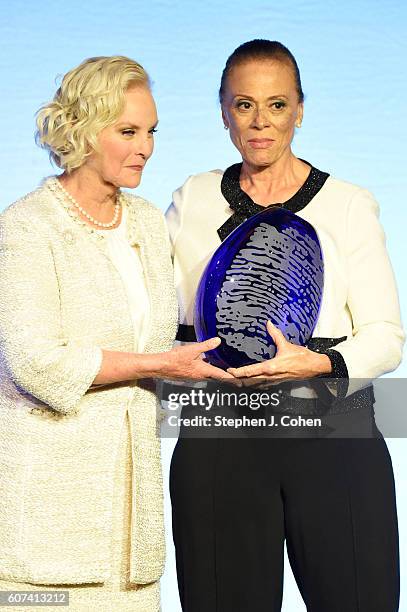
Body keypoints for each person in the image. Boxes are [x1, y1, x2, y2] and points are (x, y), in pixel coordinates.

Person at [166, 40, 404, 611]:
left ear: (300, 109)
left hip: (333, 429)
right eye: (243, 105)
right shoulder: (193, 197)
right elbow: (169, 319)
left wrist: (315, 362)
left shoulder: (348, 203)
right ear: (223, 110)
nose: (260, 122)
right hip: (219, 431)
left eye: (276, 105)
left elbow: (385, 336)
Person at [0, 55, 232, 612]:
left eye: (150, 131)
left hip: (132, 532)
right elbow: (34, 362)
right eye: (127, 131)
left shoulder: (150, 223)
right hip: (48, 528)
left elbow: (160, 344)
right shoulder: (27, 227)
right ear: (81, 132)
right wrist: (159, 365)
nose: (145, 147)